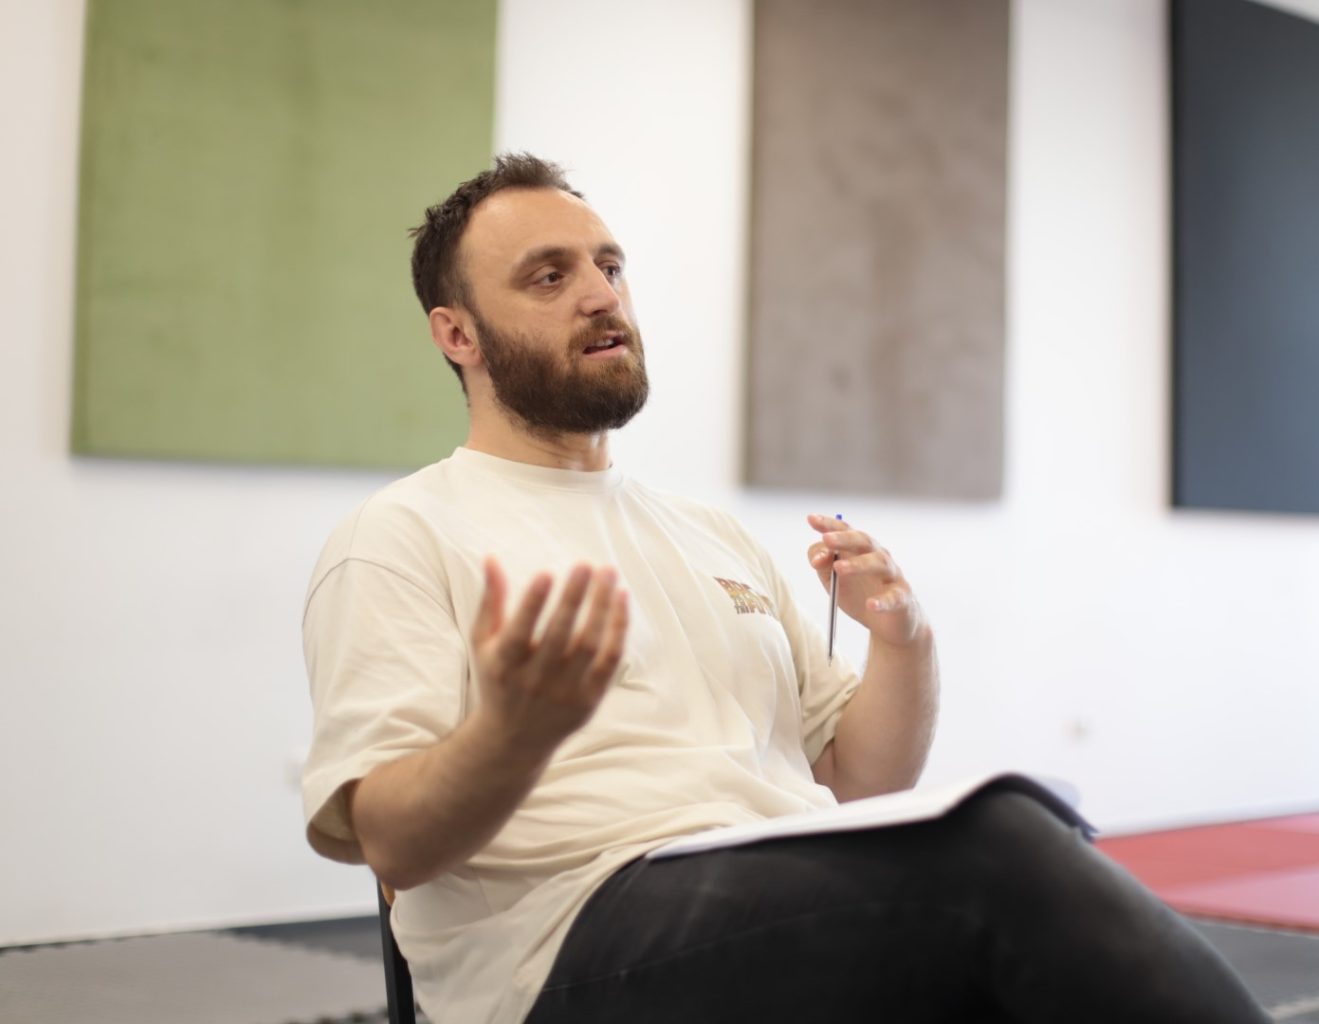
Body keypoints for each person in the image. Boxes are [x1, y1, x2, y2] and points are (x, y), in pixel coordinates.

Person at [301, 153, 1269, 1024]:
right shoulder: (403, 535)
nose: (600, 295)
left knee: (1022, 872)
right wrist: (514, 730)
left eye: (610, 266)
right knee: (997, 853)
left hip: (765, 889)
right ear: (458, 334)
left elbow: (858, 780)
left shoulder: (708, 533)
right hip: (561, 948)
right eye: (549, 277)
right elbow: (391, 844)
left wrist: (902, 640)